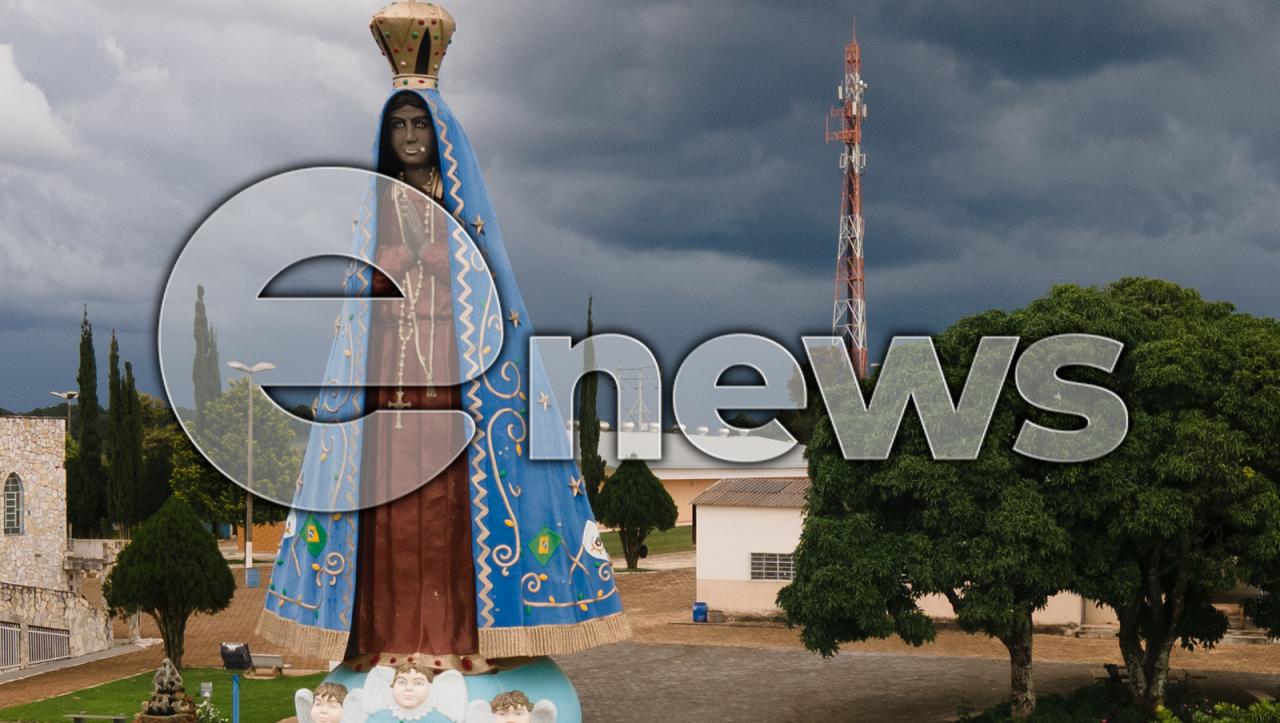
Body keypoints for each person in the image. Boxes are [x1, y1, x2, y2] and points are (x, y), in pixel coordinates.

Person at [259, 0, 628, 687]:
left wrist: (436, 266)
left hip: (453, 387)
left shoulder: (461, 202)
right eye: (396, 125)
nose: (407, 137)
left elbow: (488, 291)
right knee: (389, 517)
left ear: (441, 133)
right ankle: (381, 641)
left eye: (418, 124)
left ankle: (458, 638)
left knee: (453, 516)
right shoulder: (378, 204)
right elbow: (360, 294)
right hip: (389, 391)